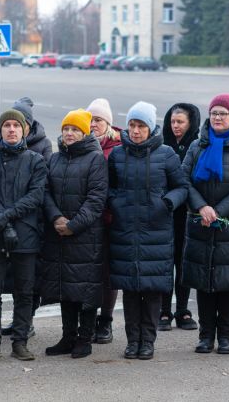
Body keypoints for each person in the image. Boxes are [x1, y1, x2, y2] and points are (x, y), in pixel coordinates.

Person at [181, 93, 229, 355]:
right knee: (204, 283)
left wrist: (219, 211)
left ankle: (226, 337)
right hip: (200, 222)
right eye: (214, 112)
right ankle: (205, 337)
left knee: (227, 283)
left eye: (223, 113)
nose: (217, 117)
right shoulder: (198, 145)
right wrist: (201, 207)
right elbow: (184, 180)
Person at [108, 101, 187, 360]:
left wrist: (167, 203)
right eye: (132, 125)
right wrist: (116, 203)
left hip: (156, 230)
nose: (135, 130)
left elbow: (181, 187)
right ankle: (132, 341)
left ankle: (148, 341)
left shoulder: (166, 155)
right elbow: (108, 188)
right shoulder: (118, 155)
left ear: (150, 127)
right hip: (126, 230)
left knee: (152, 290)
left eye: (141, 125)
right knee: (130, 290)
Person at [0, 109, 47, 362]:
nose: (11, 129)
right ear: (0, 130)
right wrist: (2, 221)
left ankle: (20, 342)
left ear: (24, 130)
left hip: (25, 234)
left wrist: (8, 218)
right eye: (6, 125)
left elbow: (36, 195)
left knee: (24, 291)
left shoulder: (35, 160)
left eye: (15, 126)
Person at [40, 109, 108, 359]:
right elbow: (45, 192)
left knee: (86, 289)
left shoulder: (95, 159)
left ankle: (84, 338)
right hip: (58, 233)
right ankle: (67, 337)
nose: (69, 134)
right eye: (66, 129)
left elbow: (96, 199)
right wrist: (56, 218)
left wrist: (73, 225)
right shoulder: (55, 159)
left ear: (85, 132)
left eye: (75, 130)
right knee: (65, 288)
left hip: (85, 235)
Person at [0, 97, 51, 338]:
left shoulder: (42, 145)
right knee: (9, 277)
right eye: (10, 123)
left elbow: (41, 184)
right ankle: (17, 321)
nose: (15, 128)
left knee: (30, 278)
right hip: (2, 220)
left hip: (30, 219)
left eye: (22, 123)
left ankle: (27, 321)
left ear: (29, 125)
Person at [159, 103, 201, 332]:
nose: (175, 126)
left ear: (190, 123)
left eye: (180, 122)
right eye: (173, 122)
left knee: (183, 263)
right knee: (166, 263)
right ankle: (164, 309)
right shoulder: (162, 145)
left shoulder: (197, 146)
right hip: (165, 212)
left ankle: (182, 310)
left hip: (189, 213)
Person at [86, 97, 121, 344]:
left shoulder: (118, 147)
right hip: (87, 221)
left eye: (97, 120)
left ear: (107, 122)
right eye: (89, 120)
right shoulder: (81, 142)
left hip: (110, 220)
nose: (92, 124)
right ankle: (85, 320)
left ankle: (105, 321)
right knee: (88, 274)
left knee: (108, 274)